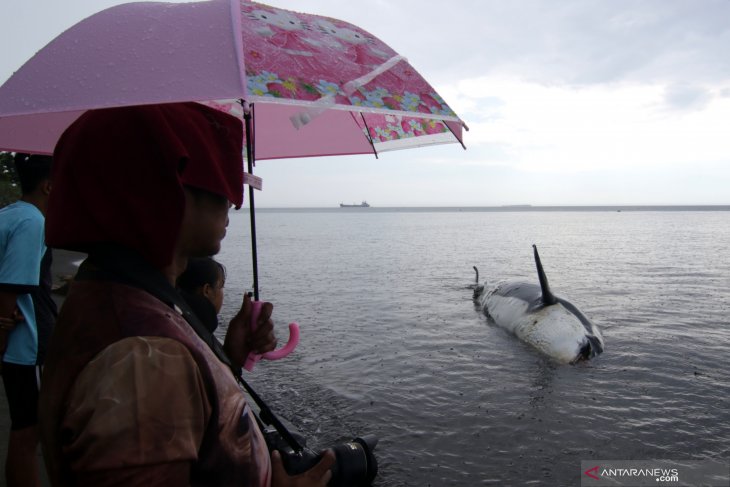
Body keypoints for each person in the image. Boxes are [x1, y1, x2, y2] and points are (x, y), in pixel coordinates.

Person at [38, 103, 334, 487]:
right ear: (161, 190)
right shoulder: (143, 360)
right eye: (221, 187)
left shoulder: (118, 291)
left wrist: (226, 357)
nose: (231, 202)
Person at [0, 153, 57, 487]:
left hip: (19, 344)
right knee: (28, 432)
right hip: (26, 345)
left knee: (24, 428)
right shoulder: (33, 221)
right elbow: (11, 285)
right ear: (49, 186)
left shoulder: (9, 214)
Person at [177, 257, 227, 334]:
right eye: (221, 286)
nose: (222, 293)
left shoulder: (177, 318)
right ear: (207, 290)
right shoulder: (198, 332)